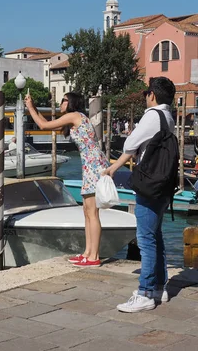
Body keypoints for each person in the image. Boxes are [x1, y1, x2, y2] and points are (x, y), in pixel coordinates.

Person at [103, 77, 176, 312]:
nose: (145, 96)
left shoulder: (152, 115)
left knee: (145, 239)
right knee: (156, 237)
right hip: (164, 186)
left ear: (152, 95)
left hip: (149, 184)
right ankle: (158, 287)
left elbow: (130, 144)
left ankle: (145, 293)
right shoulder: (169, 118)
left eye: (146, 92)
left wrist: (115, 165)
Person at [25, 92, 109, 267]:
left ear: (71, 103)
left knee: (92, 212)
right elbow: (48, 125)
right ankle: (87, 253)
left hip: (94, 165)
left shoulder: (74, 116)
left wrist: (31, 108)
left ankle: (94, 256)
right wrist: (33, 107)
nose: (61, 103)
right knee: (87, 211)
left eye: (63, 100)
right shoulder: (74, 119)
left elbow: (42, 125)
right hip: (91, 165)